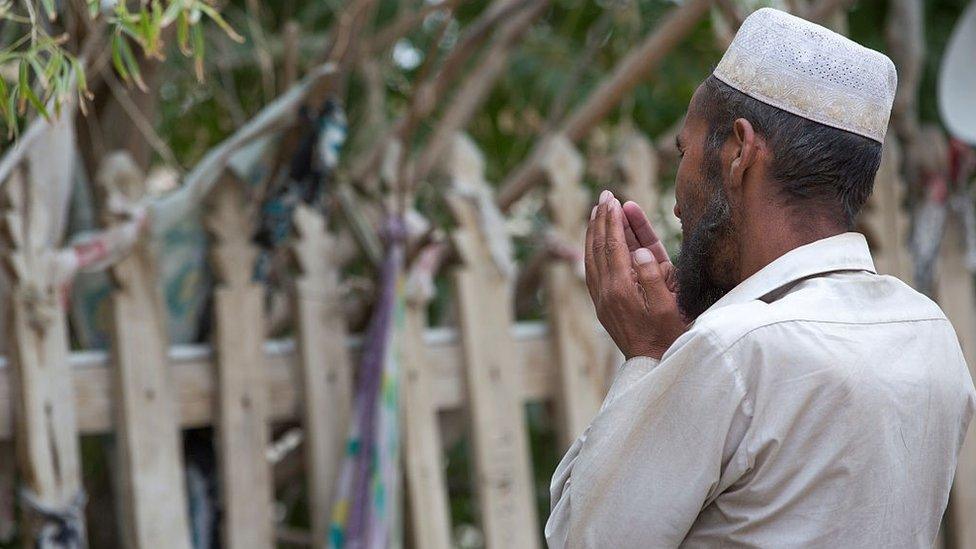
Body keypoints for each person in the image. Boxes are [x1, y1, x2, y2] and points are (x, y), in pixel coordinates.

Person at [546, 8, 976, 548]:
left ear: (738, 151)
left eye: (684, 150)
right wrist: (683, 353)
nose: (677, 202)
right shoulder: (929, 334)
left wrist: (648, 353)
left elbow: (585, 539)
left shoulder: (733, 352)